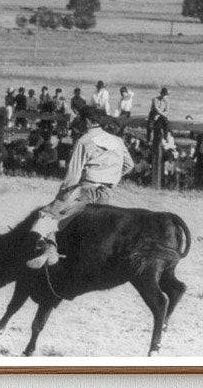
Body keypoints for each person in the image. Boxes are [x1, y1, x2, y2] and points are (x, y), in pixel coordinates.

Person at [27, 106, 134, 268]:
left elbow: (73, 175)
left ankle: (50, 249)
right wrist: (111, 177)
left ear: (87, 121)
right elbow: (129, 165)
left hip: (86, 190)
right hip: (107, 193)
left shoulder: (84, 141)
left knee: (47, 214)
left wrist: (61, 196)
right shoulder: (117, 141)